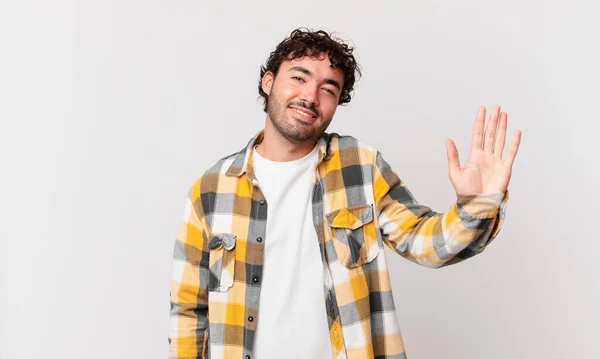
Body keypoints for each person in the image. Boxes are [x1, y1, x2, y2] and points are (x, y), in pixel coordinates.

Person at [168, 28, 521, 359]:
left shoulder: (360, 167)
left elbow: (425, 243)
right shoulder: (211, 189)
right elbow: (189, 309)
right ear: (268, 81)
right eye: (299, 77)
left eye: (328, 88)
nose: (310, 96)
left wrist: (477, 204)